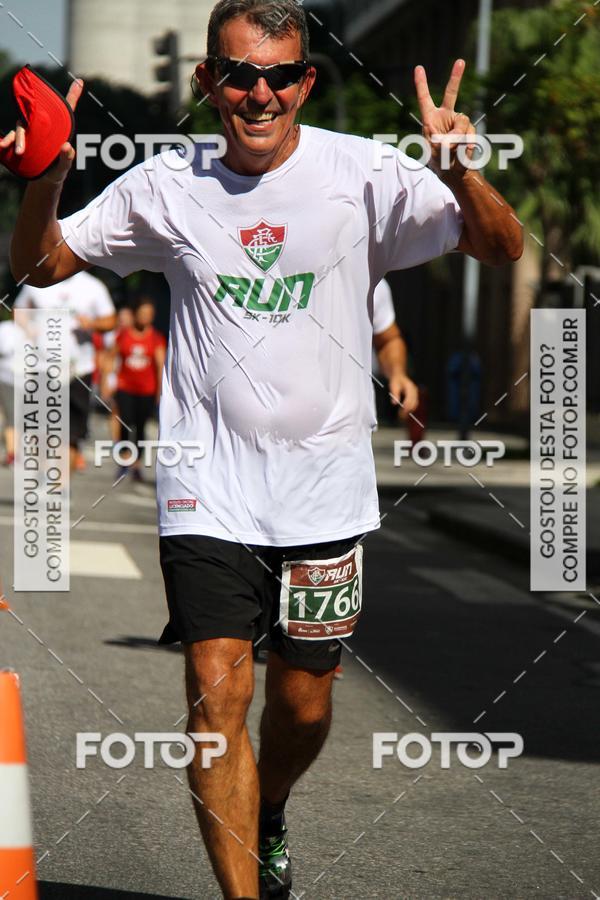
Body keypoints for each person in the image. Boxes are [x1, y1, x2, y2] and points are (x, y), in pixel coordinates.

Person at [4, 1, 523, 896]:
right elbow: (43, 265)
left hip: (325, 493)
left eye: (281, 75)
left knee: (304, 701)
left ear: (306, 82)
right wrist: (47, 176)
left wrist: (461, 169)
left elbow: (501, 246)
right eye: (240, 73)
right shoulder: (167, 183)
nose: (260, 93)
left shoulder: (364, 172)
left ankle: (270, 801)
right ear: (209, 81)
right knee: (217, 704)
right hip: (207, 490)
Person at [13, 272, 116, 471]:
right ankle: (44, 477)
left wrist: (93, 324)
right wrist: (27, 327)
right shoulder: (39, 280)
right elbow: (19, 309)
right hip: (42, 366)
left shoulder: (93, 286)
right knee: (41, 428)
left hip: (78, 369)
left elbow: (111, 320)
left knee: (72, 432)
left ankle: (60, 487)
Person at [110, 296, 166, 481]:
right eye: (142, 314)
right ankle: (124, 460)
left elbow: (160, 367)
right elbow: (111, 356)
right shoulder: (124, 334)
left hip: (146, 390)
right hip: (125, 386)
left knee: (141, 427)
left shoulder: (156, 339)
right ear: (136, 314)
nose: (145, 317)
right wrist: (106, 381)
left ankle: (137, 464)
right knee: (125, 422)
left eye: (149, 314)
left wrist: (159, 393)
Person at [0, 316, 18, 465]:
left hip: (33, 380)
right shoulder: (5, 328)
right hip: (7, 378)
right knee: (12, 415)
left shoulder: (39, 328)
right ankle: (12, 453)